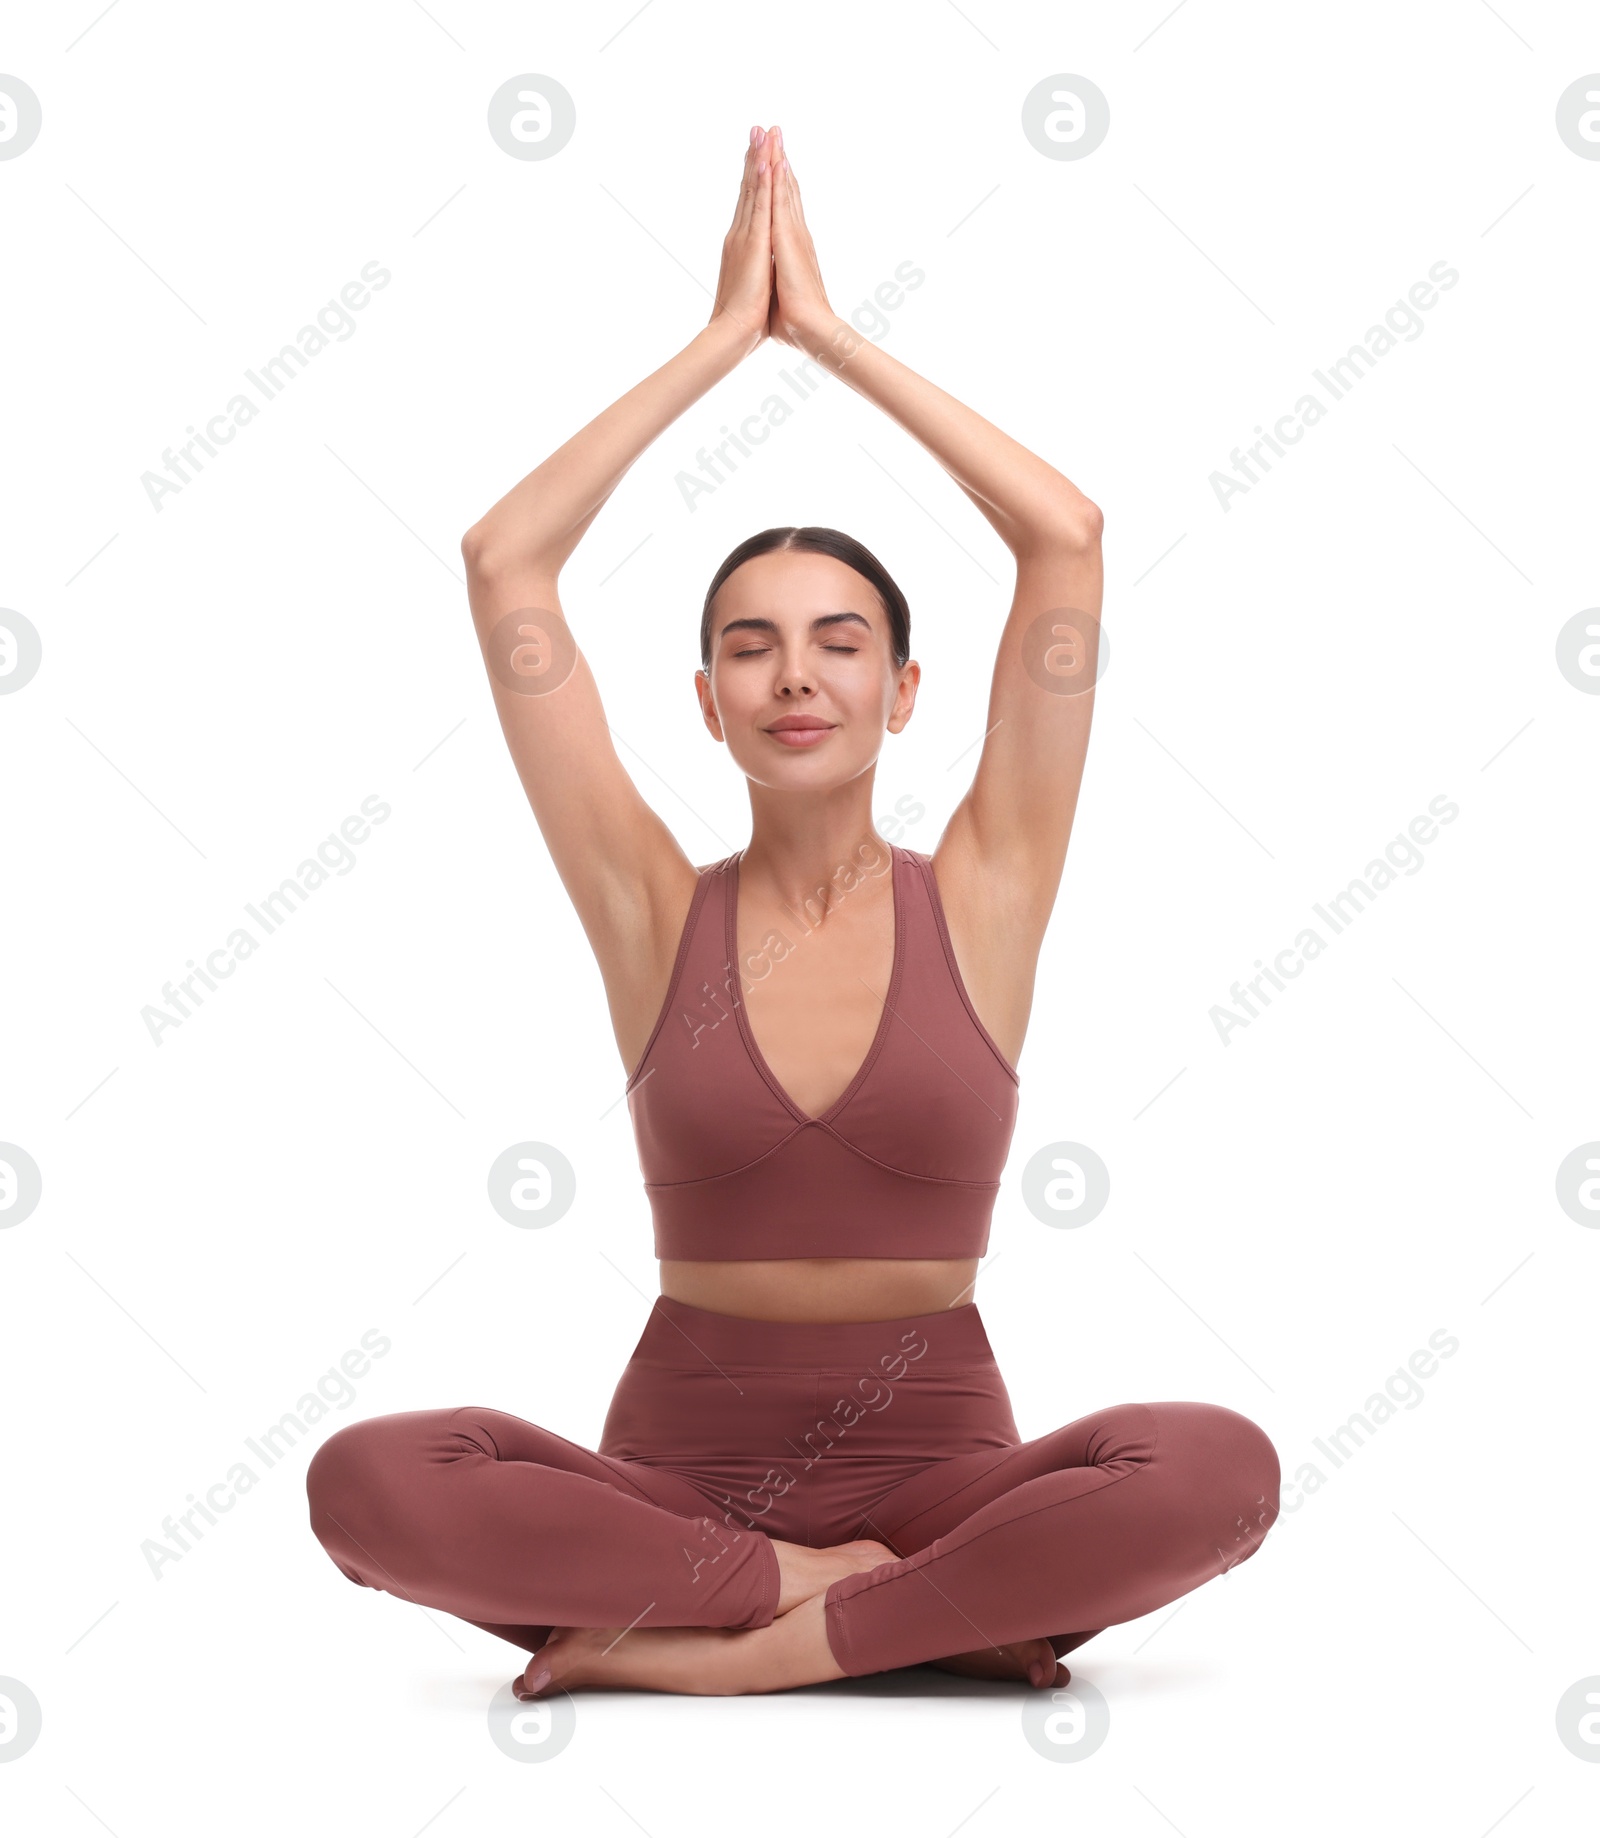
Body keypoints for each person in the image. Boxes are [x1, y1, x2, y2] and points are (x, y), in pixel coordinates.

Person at [306, 123, 1280, 1699]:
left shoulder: (988, 887)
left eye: (839, 641)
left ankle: (727, 1655)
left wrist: (825, 336)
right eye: (752, 647)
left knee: (1218, 1466)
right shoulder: (644, 905)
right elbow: (507, 564)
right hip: (675, 1496)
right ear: (706, 701)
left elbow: (1067, 538)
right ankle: (865, 1609)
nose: (797, 673)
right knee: (367, 1478)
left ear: (903, 690)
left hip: (938, 1484)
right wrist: (715, 346)